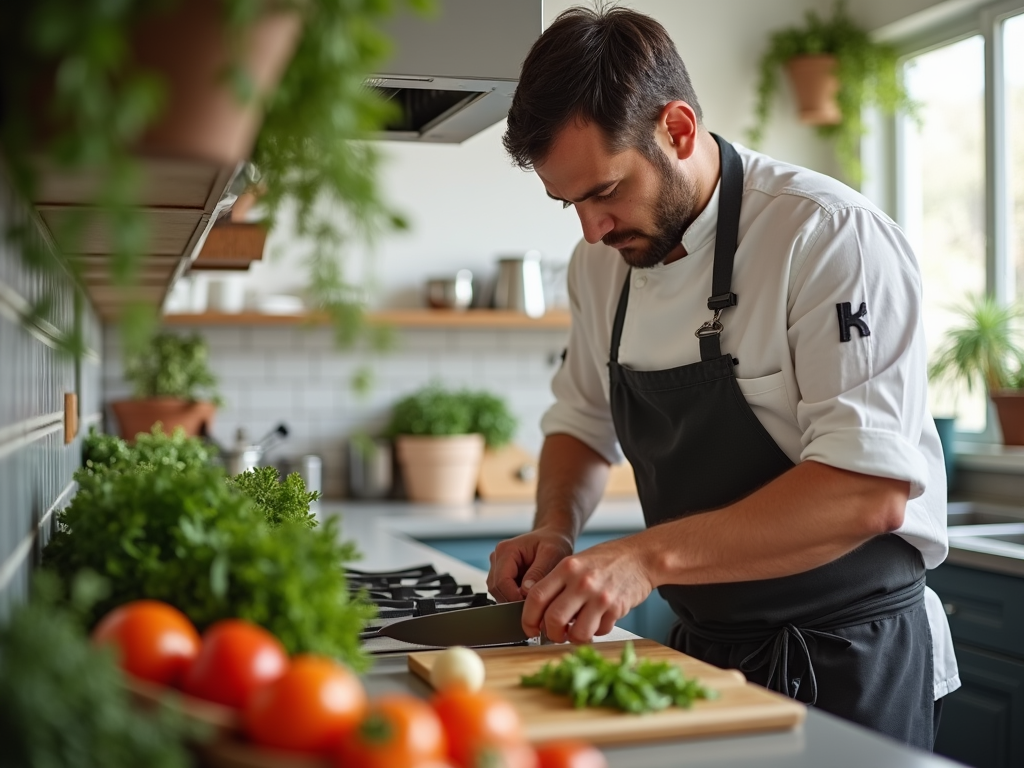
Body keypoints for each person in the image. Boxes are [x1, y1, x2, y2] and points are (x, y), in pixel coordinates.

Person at [487, 6, 959, 751]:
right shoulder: (599, 266)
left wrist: (644, 557)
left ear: (676, 130)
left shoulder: (825, 235)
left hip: (851, 657)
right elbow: (580, 423)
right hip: (705, 653)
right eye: (569, 202)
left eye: (605, 191)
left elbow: (868, 492)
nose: (591, 229)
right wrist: (554, 527)